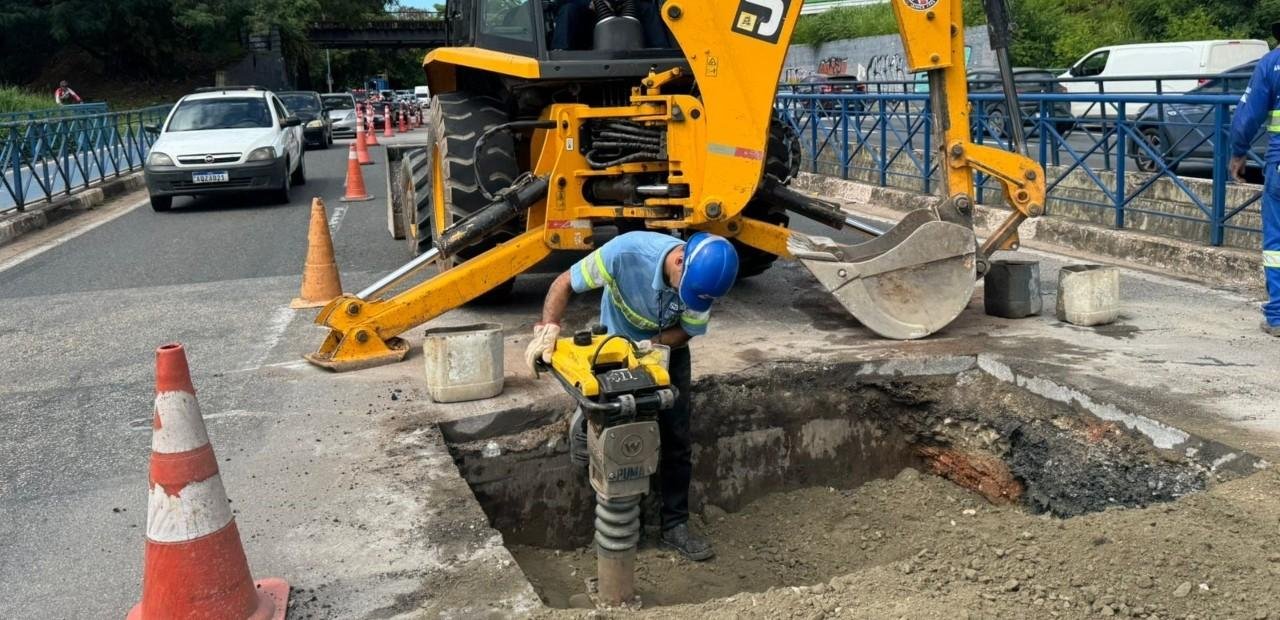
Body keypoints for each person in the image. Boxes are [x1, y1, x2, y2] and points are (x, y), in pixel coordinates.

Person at [525, 230, 739, 561]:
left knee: (676, 437)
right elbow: (564, 283)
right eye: (687, 291)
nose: (690, 298)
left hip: (664, 349)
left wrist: (654, 346)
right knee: (611, 428)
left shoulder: (702, 284)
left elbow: (688, 329)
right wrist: (549, 328)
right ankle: (613, 515)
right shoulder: (625, 254)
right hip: (613, 348)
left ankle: (675, 525)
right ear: (680, 260)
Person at [1228, 22, 1280, 337]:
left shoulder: (1272, 63)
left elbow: (1247, 115)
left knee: (1277, 245)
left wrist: (1238, 152)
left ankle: (1278, 316)